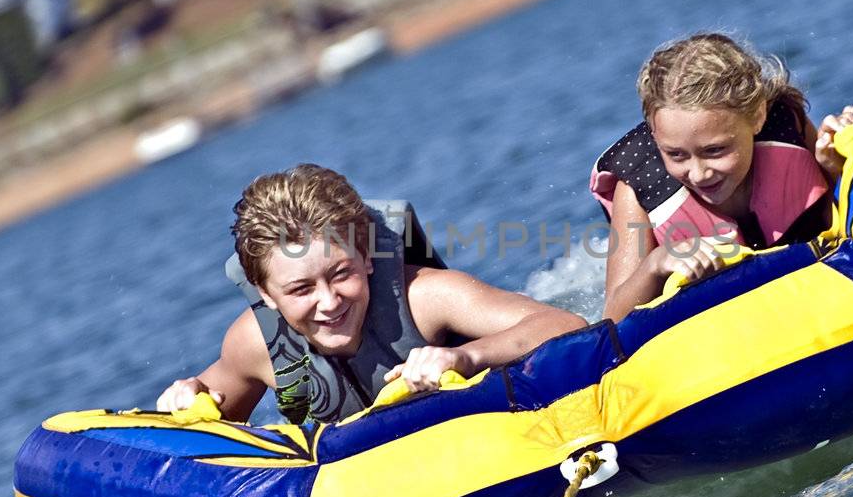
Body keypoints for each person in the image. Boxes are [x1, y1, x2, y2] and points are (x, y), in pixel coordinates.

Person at [157, 164, 586, 426]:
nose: (329, 301)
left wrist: (464, 357)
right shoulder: (255, 346)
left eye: (340, 273)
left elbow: (567, 325)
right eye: (301, 289)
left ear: (365, 257)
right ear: (266, 294)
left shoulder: (426, 298)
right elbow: (202, 427)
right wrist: (185, 399)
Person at [591, 33, 853, 322]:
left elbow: (835, 221)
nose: (699, 173)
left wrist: (836, 166)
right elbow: (612, 318)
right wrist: (656, 263)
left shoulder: (785, 127)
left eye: (715, 150)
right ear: (655, 138)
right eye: (676, 155)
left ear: (757, 117)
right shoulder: (638, 186)